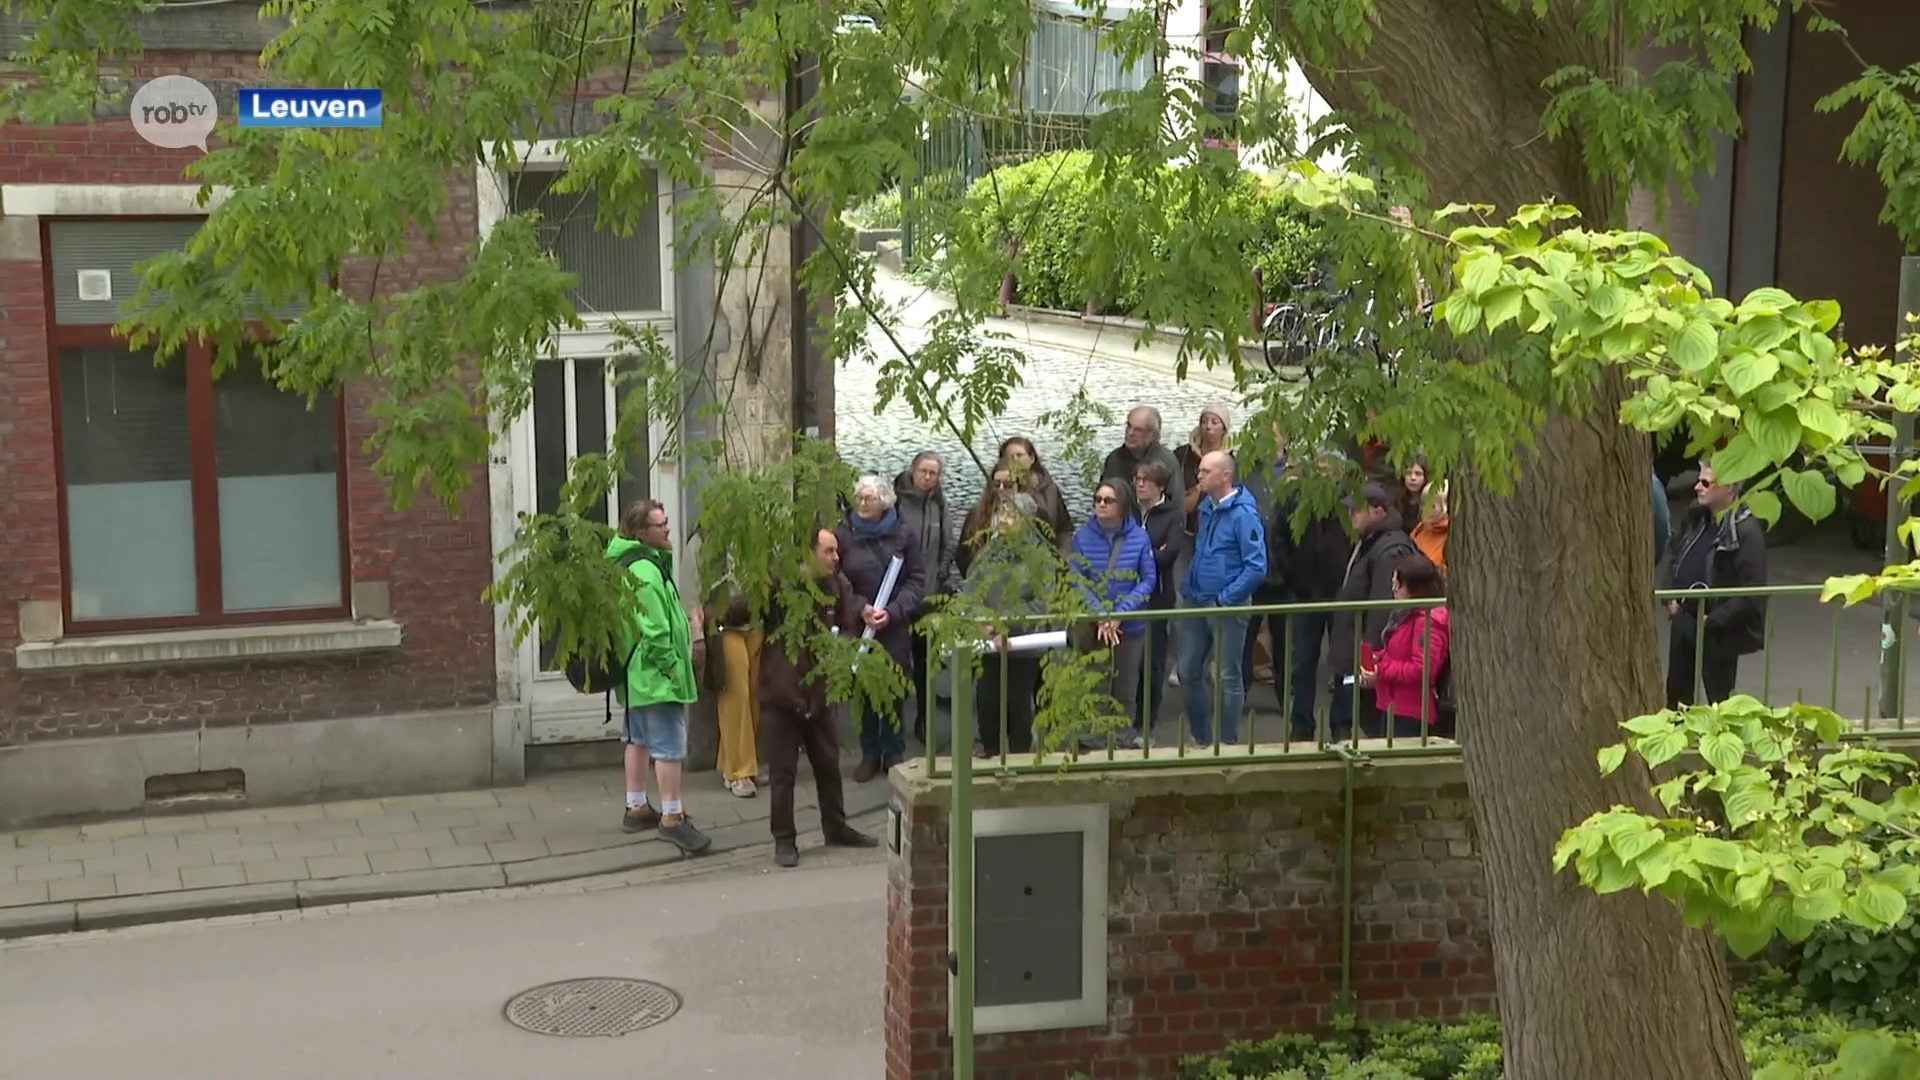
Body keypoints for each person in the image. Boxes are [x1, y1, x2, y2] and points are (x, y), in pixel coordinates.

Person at [757, 528, 880, 868]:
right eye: (828, 551)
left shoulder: (835, 583)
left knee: (828, 765)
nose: (835, 558)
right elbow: (743, 609)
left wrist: (863, 612)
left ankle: (835, 826)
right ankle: (784, 839)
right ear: (809, 554)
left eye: (836, 551)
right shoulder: (780, 587)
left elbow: (849, 606)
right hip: (782, 695)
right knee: (783, 774)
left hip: (819, 692)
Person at [608, 500, 711, 853]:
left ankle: (636, 806)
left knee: (636, 739)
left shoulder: (631, 564)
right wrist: (671, 669)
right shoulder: (646, 572)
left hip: (636, 675)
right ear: (641, 533)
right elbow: (655, 630)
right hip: (655, 676)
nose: (668, 528)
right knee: (668, 747)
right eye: (660, 524)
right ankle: (672, 817)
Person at [836, 475, 927, 781]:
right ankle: (869, 752)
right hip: (859, 623)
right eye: (859, 497)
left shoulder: (903, 534)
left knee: (893, 688)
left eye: (869, 498)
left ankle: (894, 751)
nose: (862, 503)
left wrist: (892, 611)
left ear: (884, 502)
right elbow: (837, 581)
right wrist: (860, 607)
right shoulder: (843, 535)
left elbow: (916, 579)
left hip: (893, 625)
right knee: (863, 688)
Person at [1177, 451, 1267, 745]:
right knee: (1188, 669)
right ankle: (1201, 737)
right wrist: (1189, 586)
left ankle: (1227, 742)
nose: (1198, 476)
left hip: (1227, 605)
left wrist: (1226, 598)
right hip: (1197, 599)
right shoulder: (1206, 507)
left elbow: (1256, 566)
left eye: (1205, 472)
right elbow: (1202, 549)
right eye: (1199, 471)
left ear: (1225, 476)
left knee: (1228, 675)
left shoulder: (1243, 515)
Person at [1663, 463, 1767, 707]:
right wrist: (1668, 596)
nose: (1697, 487)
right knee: (1677, 695)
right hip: (1685, 617)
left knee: (1718, 701)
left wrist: (1715, 619)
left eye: (1706, 483)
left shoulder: (1746, 531)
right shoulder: (1696, 516)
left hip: (1718, 628)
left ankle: (1719, 740)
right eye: (1699, 480)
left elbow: (1752, 591)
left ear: (1729, 487)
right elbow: (1675, 555)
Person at [1269, 451, 1354, 741]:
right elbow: (1278, 535)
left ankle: (1342, 723)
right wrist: (1292, 575)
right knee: (1302, 662)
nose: (1324, 473)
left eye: (1329, 468)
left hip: (1342, 593)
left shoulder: (1351, 500)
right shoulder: (1296, 497)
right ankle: (1301, 725)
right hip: (1306, 592)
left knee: (1343, 661)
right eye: (1319, 467)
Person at [962, 494, 1054, 756]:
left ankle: (1020, 755)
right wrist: (980, 620)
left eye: (1011, 515)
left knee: (1019, 705)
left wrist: (1003, 624)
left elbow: (1040, 605)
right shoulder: (988, 553)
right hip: (987, 641)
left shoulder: (1040, 558)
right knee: (987, 701)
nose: (1003, 520)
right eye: (1001, 514)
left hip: (1022, 644)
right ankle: (989, 750)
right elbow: (970, 590)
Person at [1068, 480, 1157, 749]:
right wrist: (1101, 614)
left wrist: (1120, 614)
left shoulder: (1139, 537)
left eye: (1108, 500)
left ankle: (1120, 737)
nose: (1101, 505)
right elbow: (1076, 578)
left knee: (1125, 687)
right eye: (1097, 500)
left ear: (1123, 504)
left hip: (1128, 627)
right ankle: (1090, 739)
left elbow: (1147, 580)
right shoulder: (1082, 537)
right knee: (1093, 682)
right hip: (1094, 624)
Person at [1327, 482, 1416, 741]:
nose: (1352, 515)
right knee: (1348, 716)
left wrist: (1371, 658)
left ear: (1378, 512)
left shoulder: (1388, 548)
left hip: (1363, 654)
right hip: (1351, 648)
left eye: (1358, 510)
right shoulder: (1370, 540)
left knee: (1363, 719)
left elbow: (1383, 609)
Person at [895, 451, 953, 747]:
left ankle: (924, 719)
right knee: (897, 659)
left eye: (934, 473)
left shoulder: (939, 505)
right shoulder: (897, 501)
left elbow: (948, 544)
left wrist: (941, 574)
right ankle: (892, 725)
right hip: (899, 595)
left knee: (926, 662)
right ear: (912, 470)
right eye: (924, 472)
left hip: (929, 595)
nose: (928, 478)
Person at [1360, 553, 1450, 739]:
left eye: (1398, 584)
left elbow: (1422, 668)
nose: (1393, 588)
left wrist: (1381, 669)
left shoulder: (1428, 622)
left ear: (1413, 588)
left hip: (1410, 710)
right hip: (1393, 703)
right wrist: (1378, 658)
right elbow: (1399, 651)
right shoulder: (1408, 616)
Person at [1132, 459, 1185, 740]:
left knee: (1151, 661)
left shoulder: (1171, 515)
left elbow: (1169, 554)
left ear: (1160, 486)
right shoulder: (1129, 512)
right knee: (1128, 661)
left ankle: (1146, 723)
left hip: (1157, 598)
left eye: (1146, 481)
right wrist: (1149, 551)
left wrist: (1140, 554)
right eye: (1138, 479)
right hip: (1127, 596)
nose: (1140, 485)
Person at [709, 580, 764, 799]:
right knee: (735, 697)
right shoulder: (704, 546)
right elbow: (692, 588)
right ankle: (740, 771)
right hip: (725, 627)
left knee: (753, 697)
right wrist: (697, 635)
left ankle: (731, 761)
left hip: (756, 623)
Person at [1102, 405, 1185, 513]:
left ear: (1151, 435)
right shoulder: (1114, 459)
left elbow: (1176, 505)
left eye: (1138, 430)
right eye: (1129, 426)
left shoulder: (1166, 461)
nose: (1130, 433)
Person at [998, 437, 1073, 545]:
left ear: (1032, 458)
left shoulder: (1050, 489)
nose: (1015, 460)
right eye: (1010, 457)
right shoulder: (998, 492)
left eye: (1019, 455)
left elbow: (1065, 529)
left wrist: (1063, 556)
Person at [1174, 406, 1233, 536]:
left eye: (1214, 422)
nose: (1208, 426)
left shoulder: (1232, 460)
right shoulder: (1183, 455)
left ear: (1224, 429)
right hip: (1184, 530)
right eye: (1204, 421)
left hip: (1217, 532)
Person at [1411, 480, 1449, 574]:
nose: (1425, 509)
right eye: (1424, 504)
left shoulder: (1450, 537)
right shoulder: (1420, 529)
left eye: (1432, 506)